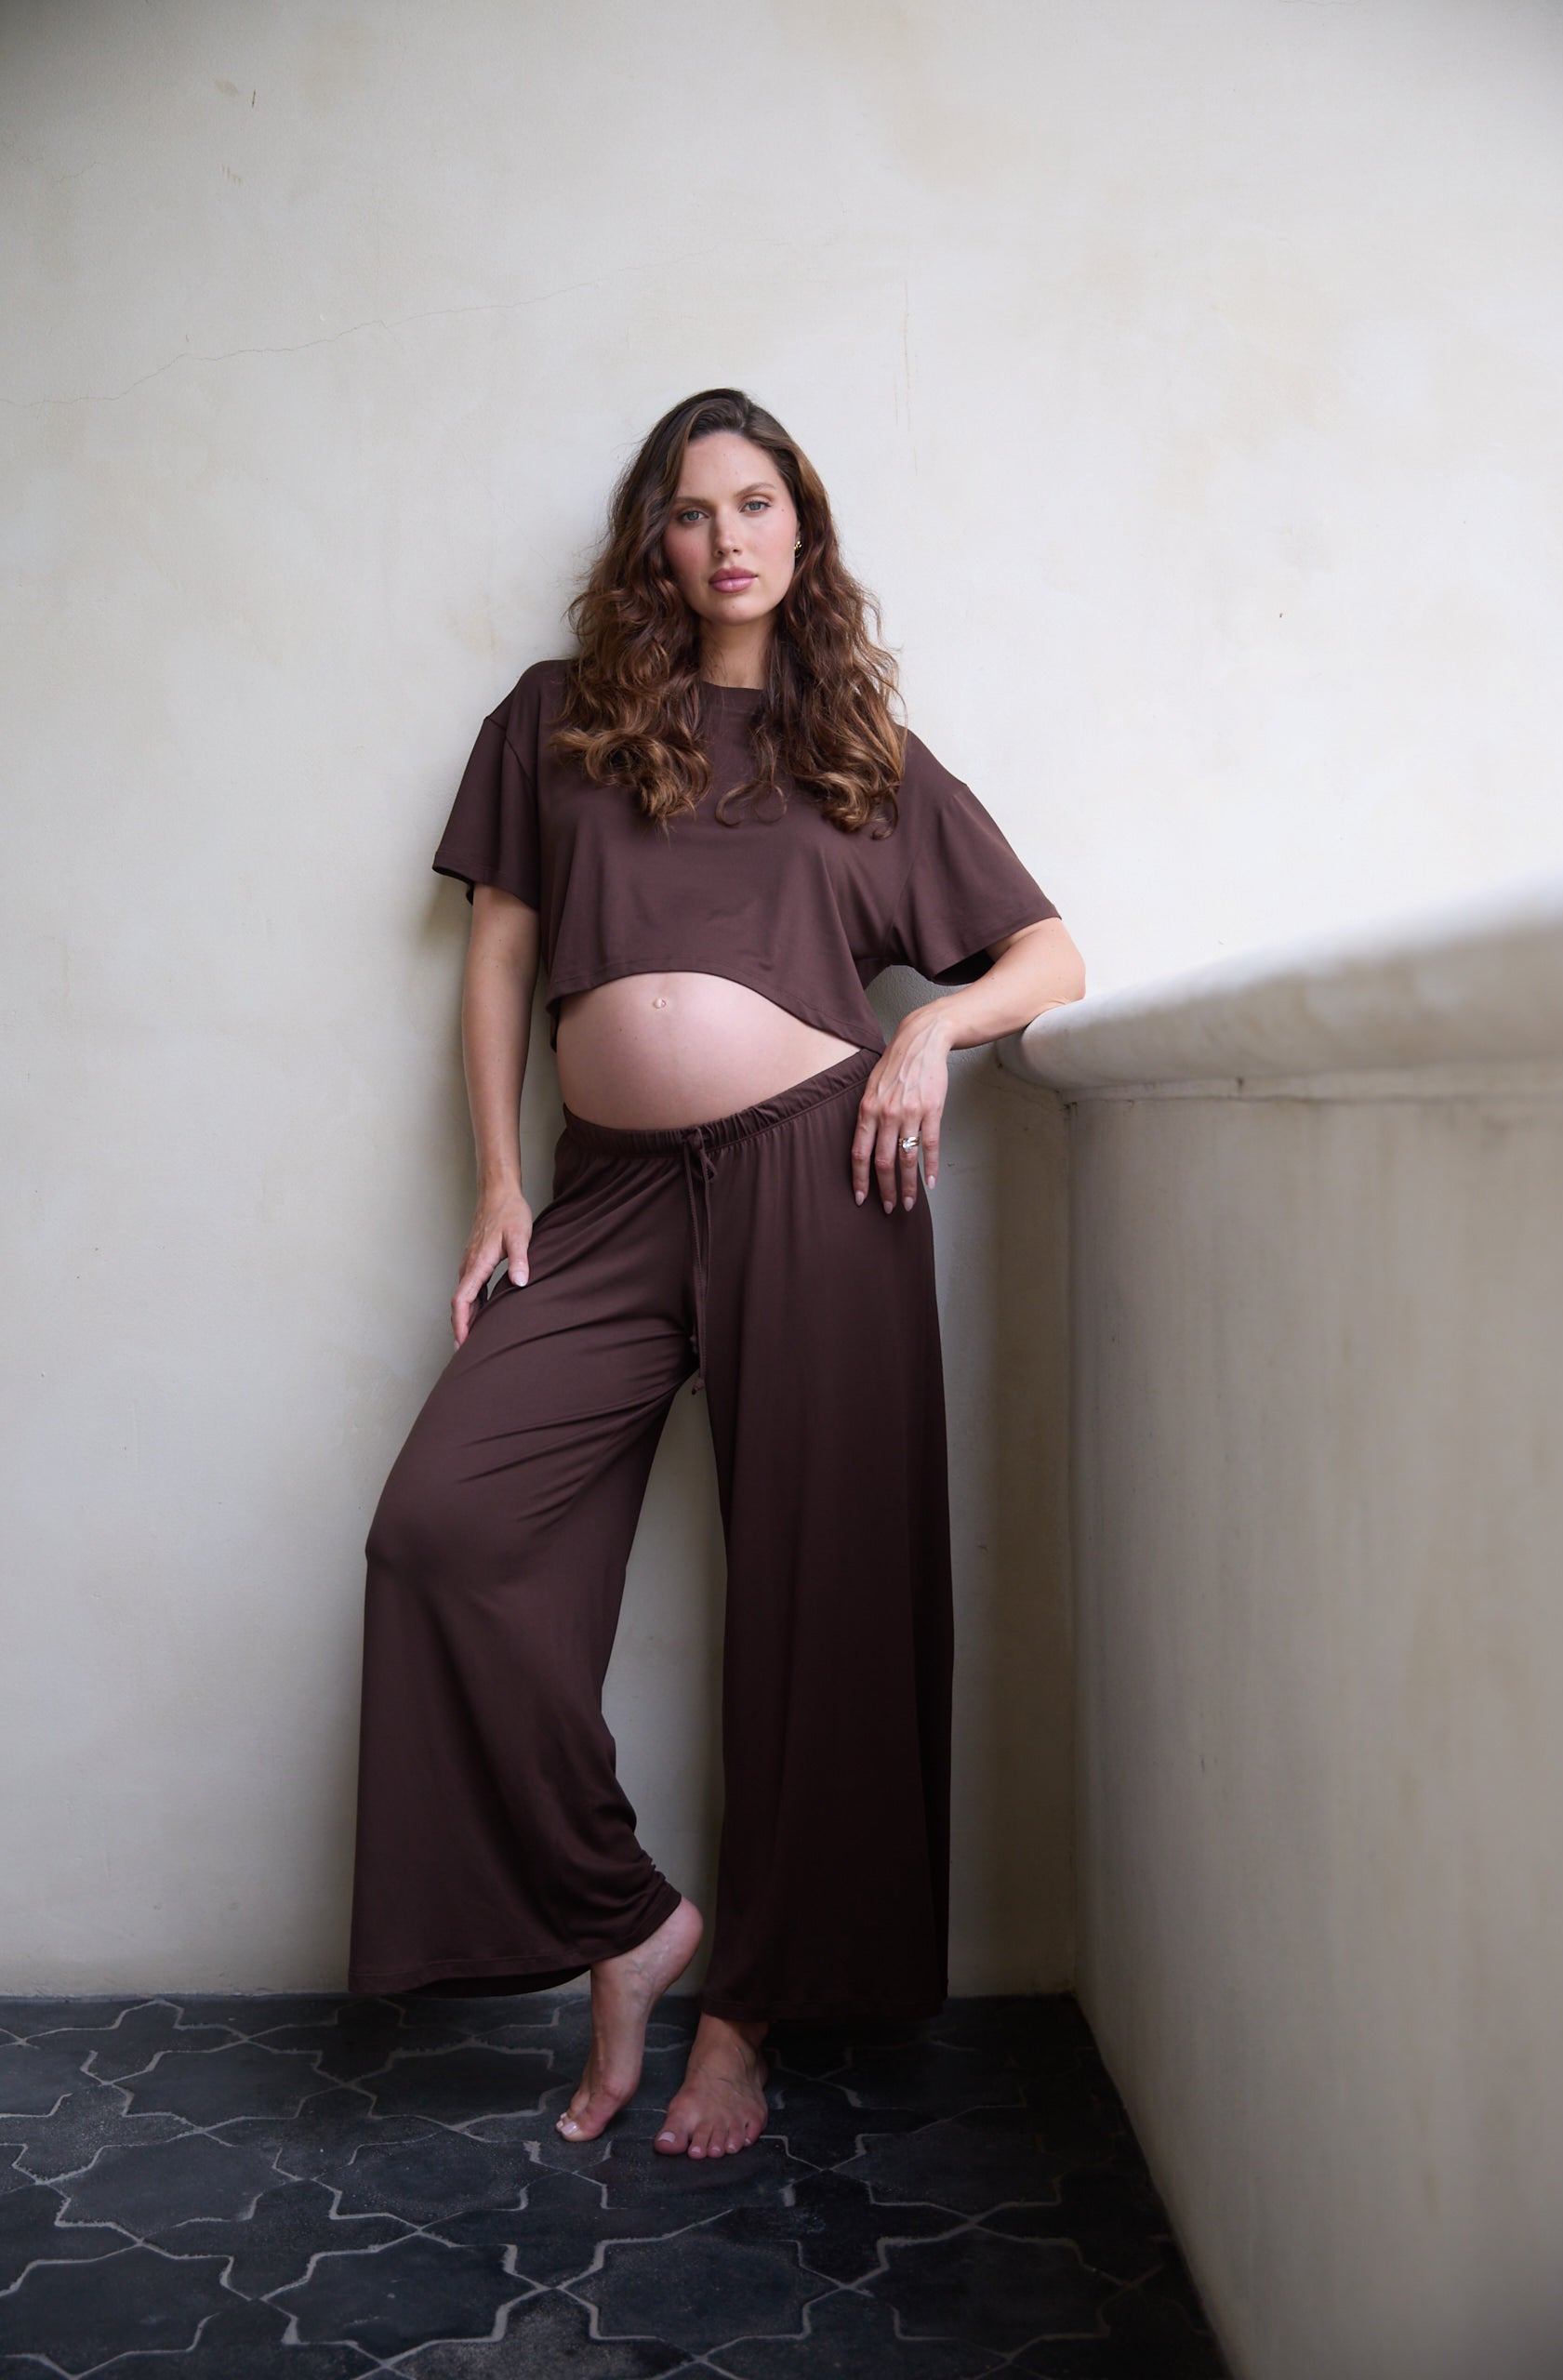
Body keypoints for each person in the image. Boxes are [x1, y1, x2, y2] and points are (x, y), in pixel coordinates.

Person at [347, 388, 1085, 2163]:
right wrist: (500, 1182)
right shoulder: (560, 723)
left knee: (820, 1611)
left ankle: (743, 2017)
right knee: (445, 1529)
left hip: (821, 1176)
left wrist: (933, 1041)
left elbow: (1050, 951)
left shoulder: (865, 759)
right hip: (600, 1201)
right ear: (652, 545)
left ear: (803, 535)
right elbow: (502, 959)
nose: (728, 537)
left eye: (759, 505)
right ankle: (630, 1923)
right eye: (692, 512)